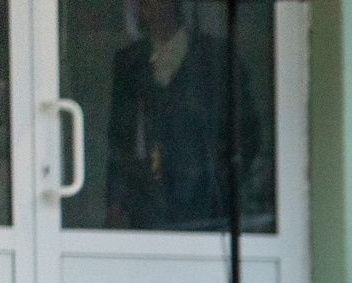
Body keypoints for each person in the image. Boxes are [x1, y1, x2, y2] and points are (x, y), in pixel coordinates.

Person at [105, 0, 263, 233]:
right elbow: (119, 139)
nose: (142, 5)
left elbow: (246, 133)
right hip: (146, 213)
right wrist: (115, 207)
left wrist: (219, 181)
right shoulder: (129, 62)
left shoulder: (216, 57)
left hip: (204, 211)